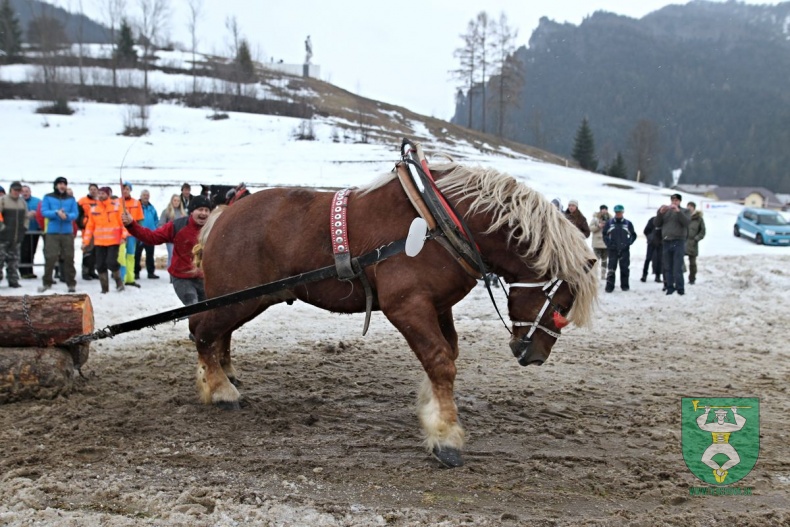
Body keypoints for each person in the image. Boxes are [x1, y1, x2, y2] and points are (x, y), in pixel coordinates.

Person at [122, 195, 211, 306]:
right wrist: (131, 225)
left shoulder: (213, 228)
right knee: (193, 308)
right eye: (200, 209)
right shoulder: (177, 226)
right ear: (192, 211)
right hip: (182, 278)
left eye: (207, 210)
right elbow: (152, 237)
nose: (204, 213)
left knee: (208, 313)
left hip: (204, 279)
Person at [82, 186, 127, 293]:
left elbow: (123, 223)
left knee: (111, 262)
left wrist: (124, 236)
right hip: (99, 242)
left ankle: (118, 282)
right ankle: (104, 288)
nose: (101, 195)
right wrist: (86, 242)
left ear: (108, 194)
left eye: (103, 193)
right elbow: (89, 226)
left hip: (113, 241)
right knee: (100, 265)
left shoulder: (116, 207)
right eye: (100, 193)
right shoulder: (93, 209)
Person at [38, 176, 79, 293]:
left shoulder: (71, 199)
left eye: (64, 184)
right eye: (60, 183)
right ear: (56, 185)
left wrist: (67, 216)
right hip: (52, 232)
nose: (62, 186)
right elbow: (44, 211)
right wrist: (56, 213)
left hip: (67, 232)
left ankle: (71, 283)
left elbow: (75, 213)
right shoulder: (48, 197)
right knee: (50, 257)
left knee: (69, 258)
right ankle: (47, 282)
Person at [654, 193, 691, 295]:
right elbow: (656, 223)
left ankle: (680, 288)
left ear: (679, 202)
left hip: (679, 241)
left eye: (676, 200)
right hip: (666, 241)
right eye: (672, 200)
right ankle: (669, 287)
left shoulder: (685, 211)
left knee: (677, 266)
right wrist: (660, 213)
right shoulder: (666, 211)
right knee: (667, 266)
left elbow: (687, 223)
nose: (674, 202)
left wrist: (678, 212)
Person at [602, 204, 637, 293]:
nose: (618, 214)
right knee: (611, 269)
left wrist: (628, 243)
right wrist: (609, 244)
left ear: (623, 212)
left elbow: (633, 235)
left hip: (624, 250)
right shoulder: (609, 223)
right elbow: (604, 235)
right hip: (612, 250)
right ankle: (609, 287)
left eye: (620, 212)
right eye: (617, 212)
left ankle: (625, 286)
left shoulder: (628, 223)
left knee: (625, 268)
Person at [0, 181, 28, 288]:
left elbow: (26, 217)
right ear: (10, 190)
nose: (16, 192)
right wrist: (2, 228)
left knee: (14, 260)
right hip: (2, 237)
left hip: (16, 237)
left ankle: (13, 280)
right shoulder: (3, 200)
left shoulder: (22, 203)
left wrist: (24, 228)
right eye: (15, 190)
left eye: (18, 190)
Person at [120, 182, 144, 286]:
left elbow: (140, 219)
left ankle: (130, 278)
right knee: (121, 257)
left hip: (132, 234)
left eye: (127, 189)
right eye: (123, 189)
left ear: (130, 190)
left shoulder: (136, 203)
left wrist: (139, 233)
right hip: (120, 235)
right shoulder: (117, 202)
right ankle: (122, 278)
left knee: (130, 256)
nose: (125, 191)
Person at [134, 189, 160, 279]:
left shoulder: (152, 208)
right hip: (139, 235)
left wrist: (156, 229)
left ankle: (151, 272)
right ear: (140, 196)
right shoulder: (136, 206)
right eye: (144, 195)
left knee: (150, 254)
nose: (146, 196)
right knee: (137, 254)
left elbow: (156, 219)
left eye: (147, 195)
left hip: (150, 235)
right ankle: (136, 272)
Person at [77, 183, 100, 280]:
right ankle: (85, 272)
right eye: (91, 189)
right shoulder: (82, 201)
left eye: (95, 189)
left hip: (98, 231)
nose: (93, 191)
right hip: (87, 231)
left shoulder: (100, 201)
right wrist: (82, 224)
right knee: (87, 252)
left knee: (96, 252)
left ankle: (92, 271)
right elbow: (78, 216)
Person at [159, 193, 187, 268]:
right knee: (171, 256)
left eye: (178, 201)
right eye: (175, 200)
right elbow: (161, 224)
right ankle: (171, 276)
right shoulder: (166, 212)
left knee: (181, 257)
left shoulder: (183, 213)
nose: (176, 202)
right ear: (171, 201)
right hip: (170, 239)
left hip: (181, 239)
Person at [19, 184, 41, 279]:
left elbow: (42, 212)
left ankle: (30, 271)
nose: (25, 193)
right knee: (24, 251)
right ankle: (23, 272)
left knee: (32, 251)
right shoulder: (18, 202)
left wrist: (36, 214)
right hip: (22, 231)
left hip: (35, 230)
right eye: (23, 191)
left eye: (27, 191)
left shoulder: (37, 201)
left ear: (30, 192)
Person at [685, 201, 706, 285]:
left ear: (694, 208)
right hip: (683, 242)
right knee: (679, 261)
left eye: (690, 206)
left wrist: (696, 239)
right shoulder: (684, 216)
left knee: (692, 263)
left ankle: (692, 278)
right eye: (688, 206)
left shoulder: (699, 219)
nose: (689, 208)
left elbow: (702, 231)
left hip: (693, 243)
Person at [640, 210, 663, 283]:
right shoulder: (652, 220)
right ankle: (644, 275)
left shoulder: (665, 221)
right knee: (648, 259)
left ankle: (658, 276)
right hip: (651, 243)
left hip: (661, 243)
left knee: (659, 260)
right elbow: (646, 230)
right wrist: (650, 237)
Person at [589, 205, 610, 280]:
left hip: (606, 243)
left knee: (604, 261)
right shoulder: (595, 219)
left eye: (605, 209)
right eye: (602, 209)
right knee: (595, 260)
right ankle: (594, 275)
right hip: (596, 243)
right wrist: (598, 226)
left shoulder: (611, 219)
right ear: (600, 210)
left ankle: (603, 275)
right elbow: (590, 228)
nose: (604, 211)